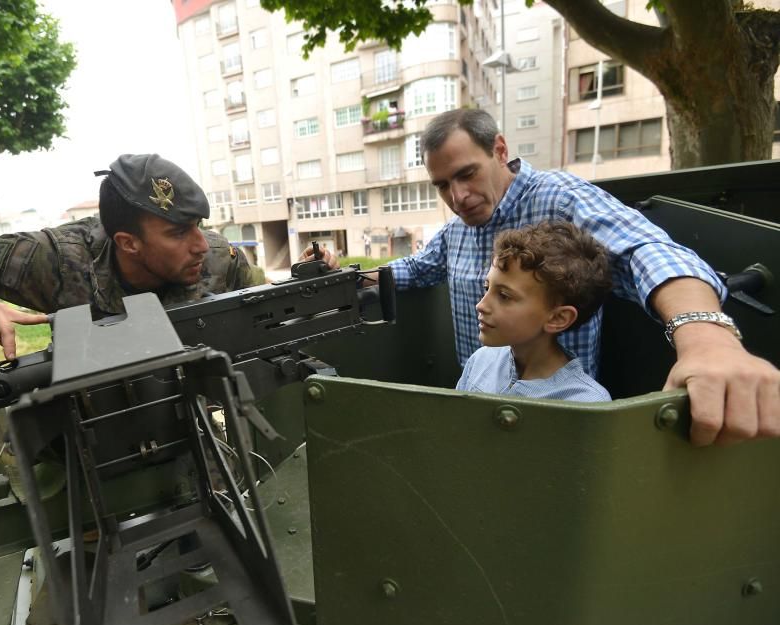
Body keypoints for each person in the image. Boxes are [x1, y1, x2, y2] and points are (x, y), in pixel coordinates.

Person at [305, 108, 780, 446]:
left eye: (467, 174)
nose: (458, 195)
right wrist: (350, 280)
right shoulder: (458, 230)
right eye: (443, 185)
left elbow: (647, 250)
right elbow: (417, 268)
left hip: (555, 420)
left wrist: (706, 340)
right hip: (482, 392)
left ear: (500, 150)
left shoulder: (562, 198)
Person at [0, 154, 261, 360]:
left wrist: (316, 274)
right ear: (129, 243)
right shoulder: (58, 258)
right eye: (179, 232)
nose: (199, 244)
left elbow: (277, 306)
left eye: (197, 224)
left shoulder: (215, 256)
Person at [457, 221, 611, 402]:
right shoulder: (480, 361)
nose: (481, 305)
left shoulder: (586, 402)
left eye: (504, 296)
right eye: (486, 287)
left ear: (558, 318)